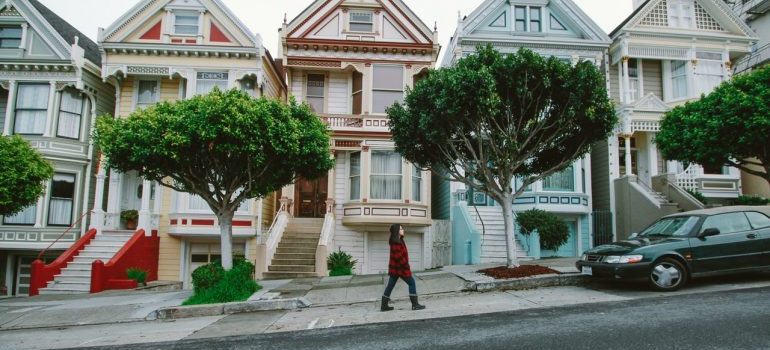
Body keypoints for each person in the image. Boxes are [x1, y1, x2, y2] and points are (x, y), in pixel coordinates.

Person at [381, 223, 425, 311]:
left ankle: (384, 306)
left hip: (396, 269)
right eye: (401, 229)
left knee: (390, 286)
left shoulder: (400, 241)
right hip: (400, 269)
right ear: (397, 231)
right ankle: (415, 304)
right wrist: (407, 266)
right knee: (411, 283)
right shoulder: (395, 243)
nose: (403, 230)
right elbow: (399, 258)